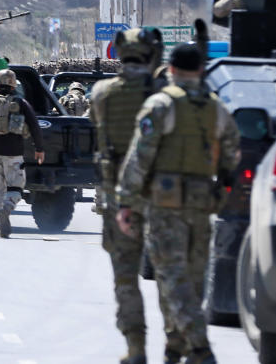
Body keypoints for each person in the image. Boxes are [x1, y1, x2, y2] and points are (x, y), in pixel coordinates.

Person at [116, 43, 241, 364]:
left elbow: (139, 158)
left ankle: (199, 348)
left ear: (171, 70)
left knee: (171, 279)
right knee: (194, 280)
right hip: (201, 205)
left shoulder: (160, 105)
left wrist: (126, 203)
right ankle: (175, 348)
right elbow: (231, 155)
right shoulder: (217, 108)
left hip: (165, 207)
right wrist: (221, 190)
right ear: (201, 70)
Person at [88, 28, 164, 364]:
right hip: (160, 197)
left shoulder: (102, 93)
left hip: (117, 196)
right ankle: (177, 344)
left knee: (126, 276)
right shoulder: (162, 94)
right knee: (169, 275)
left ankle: (136, 348)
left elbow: (94, 123)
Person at [0, 68, 45, 238]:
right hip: (14, 154)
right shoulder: (21, 104)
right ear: (14, 85)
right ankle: (8, 207)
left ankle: (1, 220)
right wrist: (39, 149)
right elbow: (35, 126)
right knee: (16, 186)